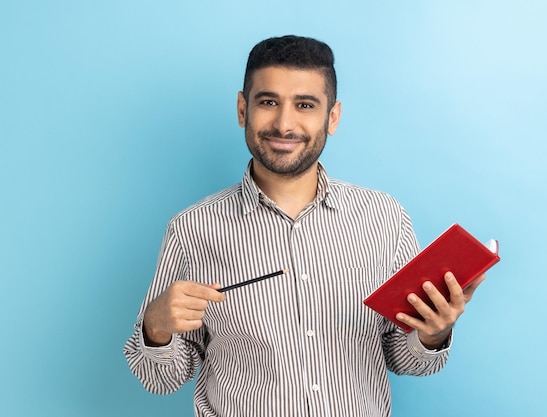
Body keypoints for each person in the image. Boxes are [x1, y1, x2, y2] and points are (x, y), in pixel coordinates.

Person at [124, 35, 486, 417]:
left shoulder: (385, 218)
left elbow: (408, 360)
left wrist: (433, 334)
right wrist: (156, 327)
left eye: (305, 105)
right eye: (268, 102)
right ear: (242, 109)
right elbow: (159, 379)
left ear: (332, 117)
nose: (284, 123)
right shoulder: (192, 228)